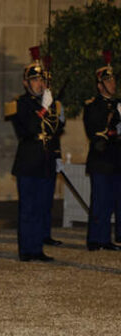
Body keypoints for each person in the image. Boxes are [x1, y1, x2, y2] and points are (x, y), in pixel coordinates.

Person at [4, 46, 64, 262]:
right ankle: (26, 250)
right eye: (35, 80)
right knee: (28, 208)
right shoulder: (20, 104)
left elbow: (56, 131)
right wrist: (44, 109)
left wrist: (57, 156)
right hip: (29, 160)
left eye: (42, 80)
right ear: (26, 83)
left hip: (47, 160)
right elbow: (28, 128)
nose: (40, 84)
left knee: (42, 206)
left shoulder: (49, 102)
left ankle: (38, 248)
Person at [83, 51, 121, 251]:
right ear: (100, 85)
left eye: (114, 80)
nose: (113, 84)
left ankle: (107, 239)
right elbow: (94, 132)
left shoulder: (118, 104)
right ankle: (95, 239)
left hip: (117, 159)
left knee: (114, 201)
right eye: (109, 81)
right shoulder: (93, 106)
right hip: (101, 159)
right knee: (100, 201)